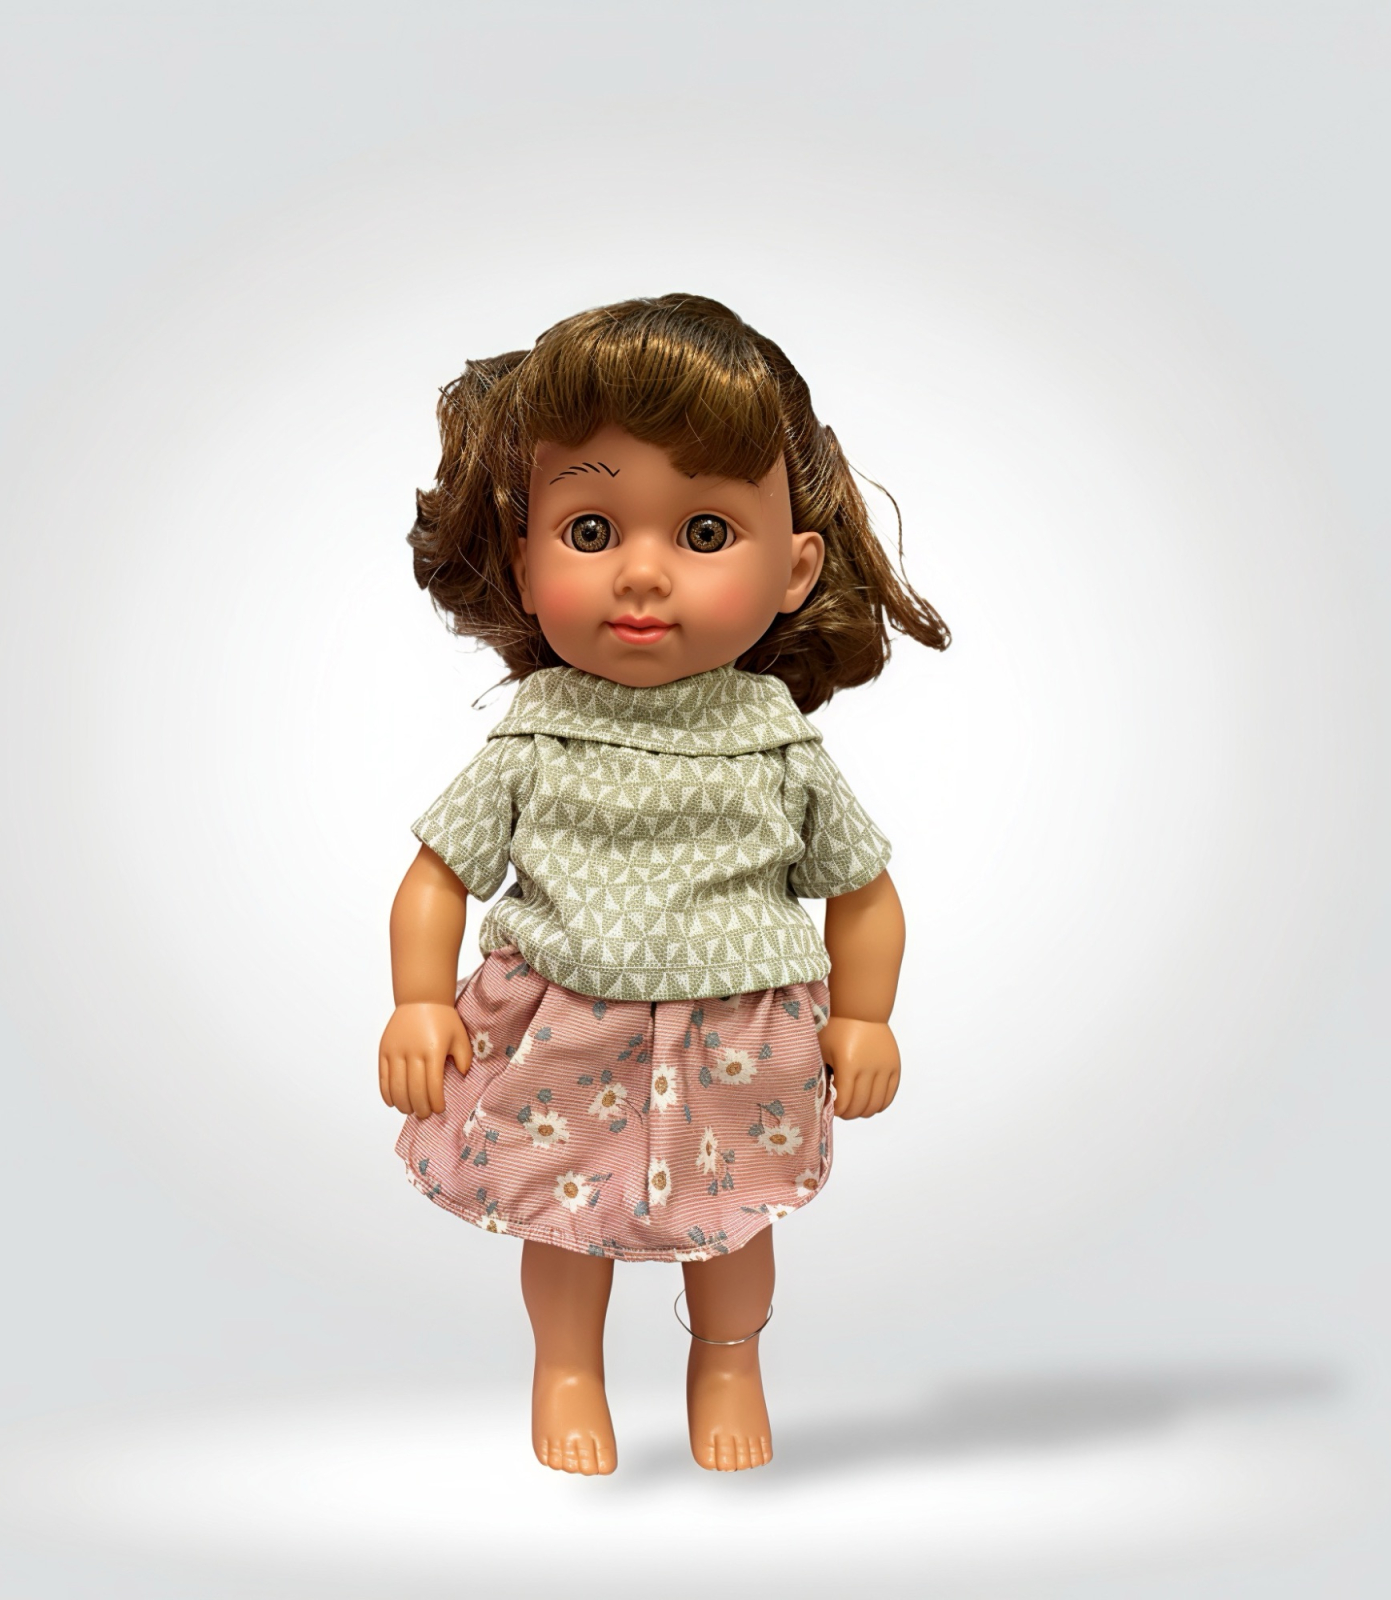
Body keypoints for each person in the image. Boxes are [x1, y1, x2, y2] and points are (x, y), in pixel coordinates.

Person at [378, 293, 949, 1474]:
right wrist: (417, 1000)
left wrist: (866, 1015)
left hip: (741, 1036)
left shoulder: (777, 742)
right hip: (561, 1023)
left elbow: (862, 889)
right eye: (590, 530)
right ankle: (566, 1367)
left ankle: (729, 1360)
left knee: (734, 1219)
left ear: (793, 568)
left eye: (702, 531)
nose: (642, 574)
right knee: (557, 1213)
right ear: (525, 559)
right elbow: (438, 872)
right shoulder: (535, 738)